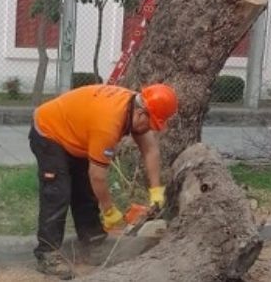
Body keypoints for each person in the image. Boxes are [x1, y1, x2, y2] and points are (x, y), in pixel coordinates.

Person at [29, 83, 178, 278]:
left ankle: (93, 242)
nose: (149, 129)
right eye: (150, 124)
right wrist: (109, 210)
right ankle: (47, 254)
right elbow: (97, 176)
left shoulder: (136, 105)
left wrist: (156, 191)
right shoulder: (108, 124)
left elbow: (150, 150)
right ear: (141, 113)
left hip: (76, 133)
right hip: (50, 130)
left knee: (84, 191)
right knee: (58, 193)